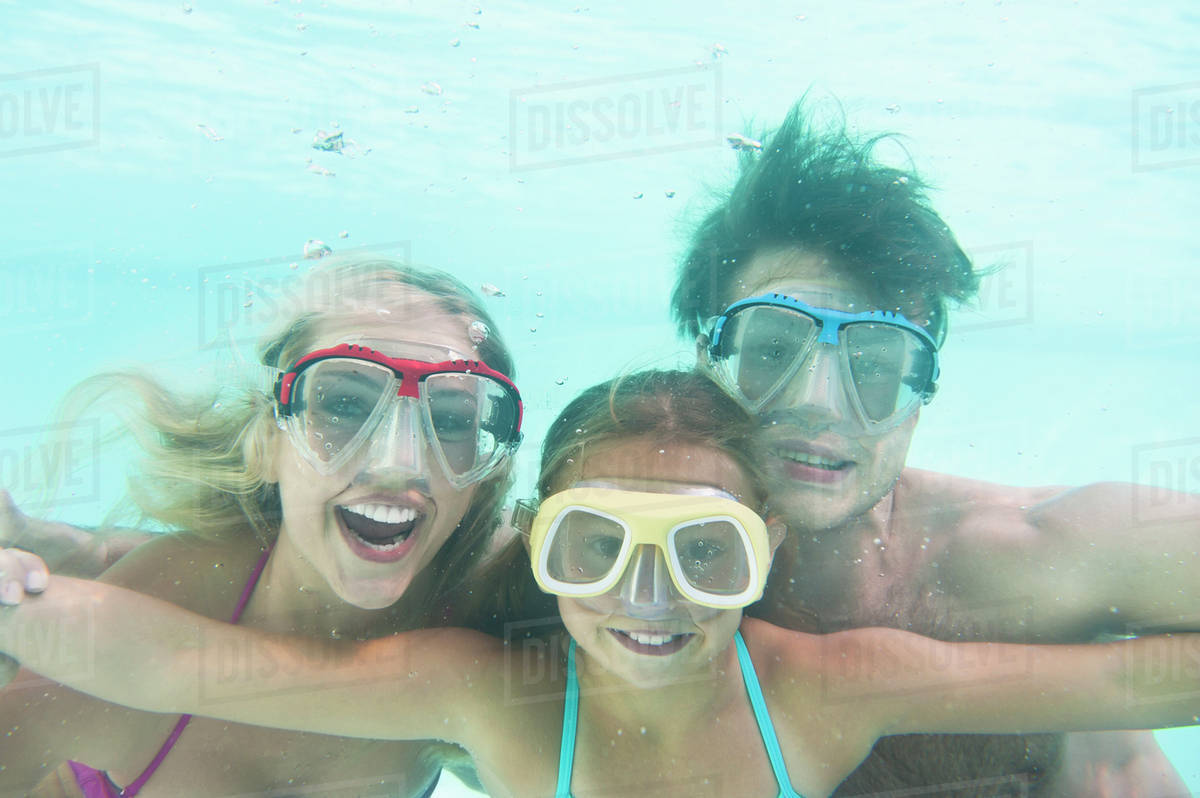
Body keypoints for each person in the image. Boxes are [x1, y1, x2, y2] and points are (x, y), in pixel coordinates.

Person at [1, 370, 1197, 798]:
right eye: (596, 549)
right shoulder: (487, 699)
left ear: (766, 549)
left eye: (706, 552)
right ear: (539, 544)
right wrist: (16, 598)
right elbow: (184, 663)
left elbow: (1142, 680)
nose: (649, 597)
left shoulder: (834, 690)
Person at [670, 103, 1200, 795]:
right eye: (771, 349)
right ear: (704, 362)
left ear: (922, 396)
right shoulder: (617, 568)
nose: (820, 404)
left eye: (874, 366)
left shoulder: (1031, 555)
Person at [0, 258, 524, 797]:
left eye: (453, 419)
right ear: (268, 440)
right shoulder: (121, 622)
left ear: (485, 474)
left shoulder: (495, 598)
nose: (399, 463)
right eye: (345, 404)